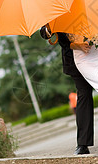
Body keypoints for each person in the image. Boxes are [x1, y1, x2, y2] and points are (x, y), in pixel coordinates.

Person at [40, 26, 95, 155]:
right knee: (84, 95)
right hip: (73, 61)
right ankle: (83, 144)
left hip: (95, 54)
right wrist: (49, 28)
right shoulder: (55, 11)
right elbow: (44, 33)